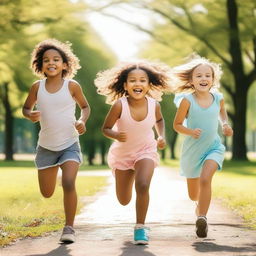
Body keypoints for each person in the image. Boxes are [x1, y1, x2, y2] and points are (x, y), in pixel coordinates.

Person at [94, 60, 172, 245]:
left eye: (142, 80)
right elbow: (105, 128)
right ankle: (122, 182)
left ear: (148, 84)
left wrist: (161, 136)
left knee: (143, 184)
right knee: (123, 199)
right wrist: (114, 134)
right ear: (125, 85)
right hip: (122, 155)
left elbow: (159, 120)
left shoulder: (154, 105)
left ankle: (140, 228)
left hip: (146, 150)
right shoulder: (119, 105)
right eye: (133, 80)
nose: (138, 84)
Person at [22, 38, 90, 243]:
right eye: (46, 60)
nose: (51, 63)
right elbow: (26, 108)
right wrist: (29, 114)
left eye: (56, 59)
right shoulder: (37, 87)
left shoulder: (72, 86)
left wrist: (81, 120)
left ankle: (69, 228)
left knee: (69, 182)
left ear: (65, 64)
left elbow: (85, 107)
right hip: (46, 147)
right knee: (47, 192)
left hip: (70, 143)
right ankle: (59, 174)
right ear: (40, 65)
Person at [172, 54, 233, 238]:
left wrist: (225, 124)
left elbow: (222, 113)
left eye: (207, 75)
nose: (203, 78)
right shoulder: (186, 101)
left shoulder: (218, 98)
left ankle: (203, 218)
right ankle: (200, 208)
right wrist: (190, 132)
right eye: (199, 75)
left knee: (206, 180)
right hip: (192, 151)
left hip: (213, 147)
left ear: (213, 80)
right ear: (191, 80)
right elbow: (177, 125)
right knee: (193, 195)